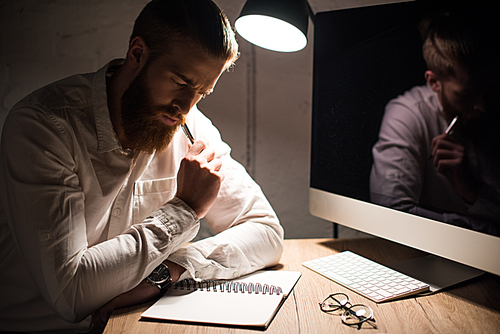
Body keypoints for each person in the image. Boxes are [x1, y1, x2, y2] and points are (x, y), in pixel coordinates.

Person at [0, 0, 284, 332]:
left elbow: (266, 232)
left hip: (131, 325)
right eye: (180, 82)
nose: (185, 108)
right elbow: (71, 294)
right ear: (137, 54)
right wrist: (185, 209)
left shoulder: (189, 125)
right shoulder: (43, 127)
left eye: (202, 93)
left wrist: (171, 270)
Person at [370, 11, 500, 235]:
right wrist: (487, 228)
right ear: (433, 81)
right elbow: (389, 215)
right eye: (466, 95)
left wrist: (469, 192)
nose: (481, 106)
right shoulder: (407, 115)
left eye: (486, 91)